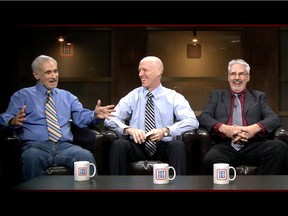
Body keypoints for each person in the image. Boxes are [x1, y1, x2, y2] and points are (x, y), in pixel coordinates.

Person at [0, 55, 115, 182]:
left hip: (64, 146)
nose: (54, 76)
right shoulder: (22, 96)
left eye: (56, 71)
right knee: (31, 158)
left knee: (85, 155)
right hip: (35, 146)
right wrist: (12, 120)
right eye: (48, 72)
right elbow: (4, 117)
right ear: (36, 75)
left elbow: (81, 117)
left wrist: (94, 114)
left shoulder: (67, 96)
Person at [104, 56, 199, 175]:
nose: (140, 74)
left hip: (164, 145)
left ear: (158, 71)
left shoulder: (173, 97)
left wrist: (166, 131)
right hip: (138, 146)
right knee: (119, 145)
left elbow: (192, 121)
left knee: (178, 145)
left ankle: (179, 187)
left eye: (145, 70)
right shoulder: (133, 96)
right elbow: (110, 119)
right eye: (139, 70)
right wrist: (128, 130)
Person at [198, 58, 288, 175]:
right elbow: (204, 117)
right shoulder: (217, 96)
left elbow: (274, 118)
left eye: (241, 74)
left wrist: (253, 129)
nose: (237, 78)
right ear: (228, 77)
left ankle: (263, 187)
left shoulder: (258, 97)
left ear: (247, 77)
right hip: (226, 146)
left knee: (279, 147)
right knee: (210, 159)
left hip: (253, 145)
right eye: (233, 74)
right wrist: (225, 128)